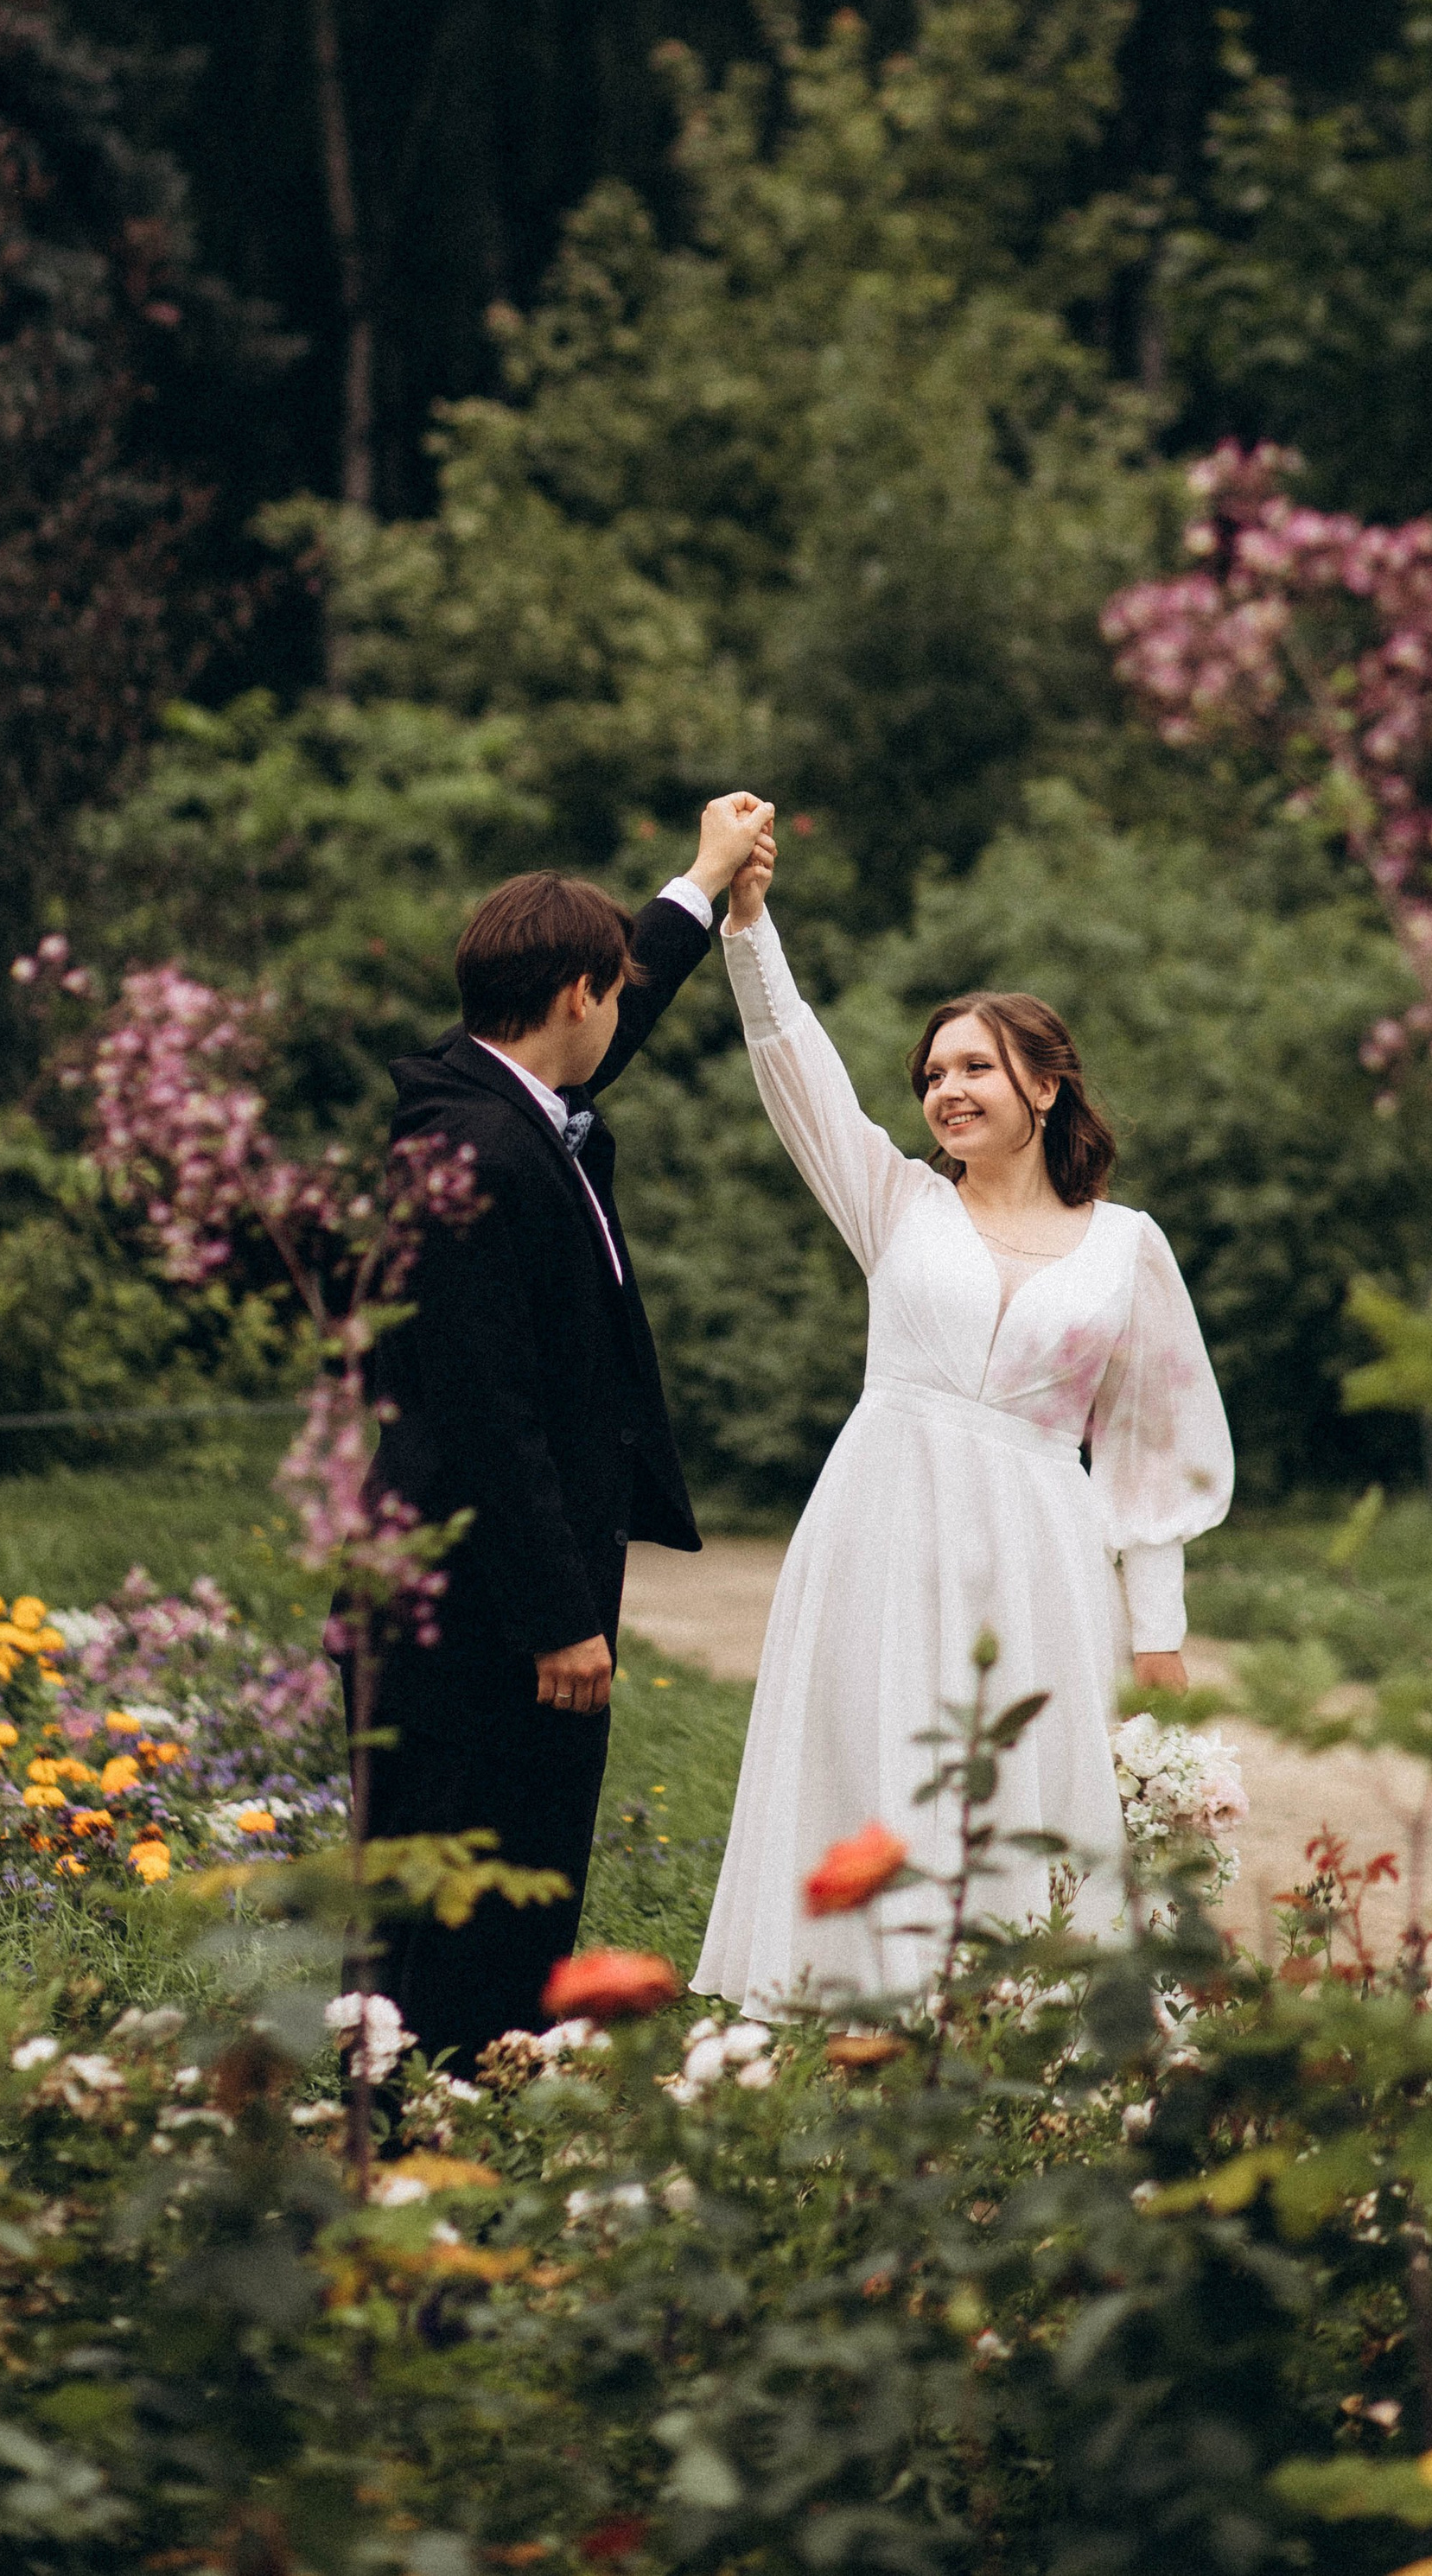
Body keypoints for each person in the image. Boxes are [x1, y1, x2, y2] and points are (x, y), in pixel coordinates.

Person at [697, 826, 1233, 2010]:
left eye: (975, 1067)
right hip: (882, 1526)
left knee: (1030, 1790)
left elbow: (1152, 1449)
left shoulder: (1127, 1245)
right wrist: (748, 927)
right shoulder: (894, 1204)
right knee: (882, 1766)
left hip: (1042, 1544)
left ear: (1045, 1084)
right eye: (934, 1074)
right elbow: (799, 1069)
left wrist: (1158, 1630)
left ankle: (1026, 2026)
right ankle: (875, 2031)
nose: (947, 1089)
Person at [353, 792, 775, 2060]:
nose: (619, 1007)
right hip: (483, 1614)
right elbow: (492, 1411)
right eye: (612, 988)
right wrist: (559, 1618)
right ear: (574, 992)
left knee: (494, 1901)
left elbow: (620, 1016)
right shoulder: (481, 1155)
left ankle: (436, 2156)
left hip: (473, 1601)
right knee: (471, 1910)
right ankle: (438, 2162)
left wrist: (697, 884)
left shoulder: (492, 1101)